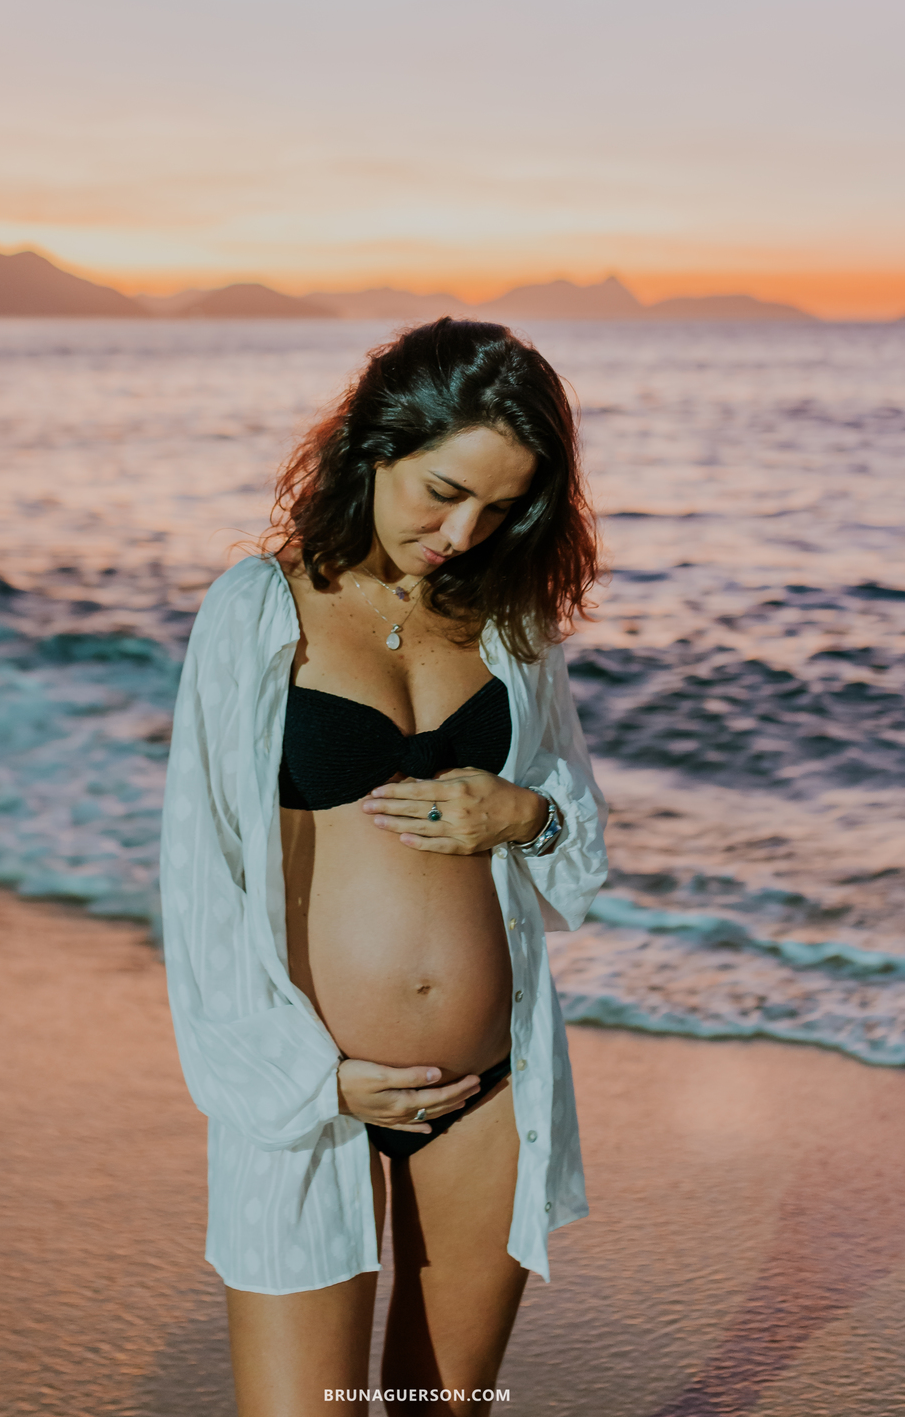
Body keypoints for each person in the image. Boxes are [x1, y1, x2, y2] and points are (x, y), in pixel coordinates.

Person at [160, 318, 608, 1413]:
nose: (463, 531)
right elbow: (201, 880)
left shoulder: (510, 626)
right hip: (308, 1096)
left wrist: (525, 816)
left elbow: (576, 844)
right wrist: (307, 1082)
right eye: (443, 490)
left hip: (488, 1087)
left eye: (502, 509)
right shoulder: (258, 613)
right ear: (374, 447)